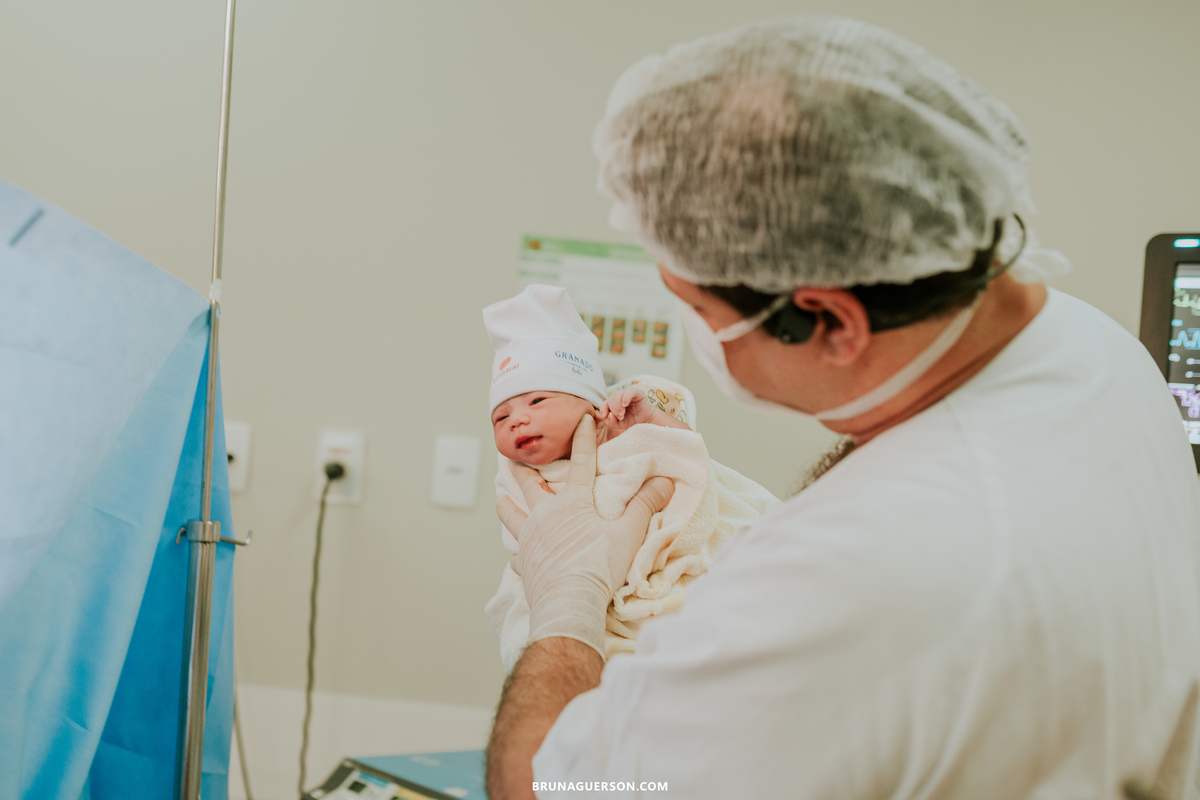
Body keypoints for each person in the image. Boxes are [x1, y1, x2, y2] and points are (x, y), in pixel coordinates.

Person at [484, 14, 1200, 800]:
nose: (698, 333)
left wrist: (567, 597)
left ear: (831, 319)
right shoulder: (1092, 344)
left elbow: (543, 788)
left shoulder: (851, 579)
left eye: (696, 307)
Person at [482, 284, 778, 669]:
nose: (517, 419)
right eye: (500, 417)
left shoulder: (628, 438)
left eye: (537, 400)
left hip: (661, 575)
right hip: (569, 598)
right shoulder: (520, 482)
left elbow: (692, 467)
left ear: (591, 405)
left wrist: (657, 423)